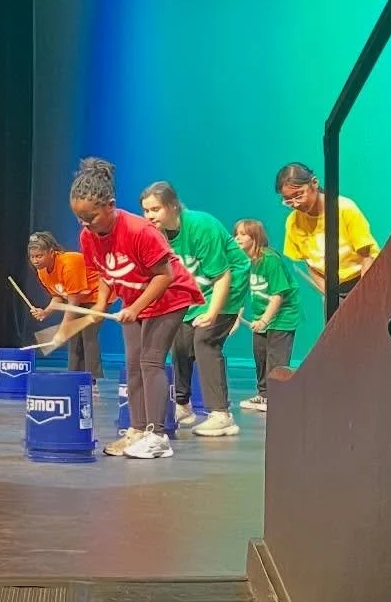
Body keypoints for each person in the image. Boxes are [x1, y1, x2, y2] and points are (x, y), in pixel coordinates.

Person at [46, 158, 202, 460]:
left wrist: (136, 308)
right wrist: (101, 304)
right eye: (79, 218)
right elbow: (105, 272)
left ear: (110, 206)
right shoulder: (88, 236)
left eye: (91, 217)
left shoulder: (139, 231)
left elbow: (165, 276)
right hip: (135, 298)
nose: (85, 224)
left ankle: (157, 437)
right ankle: (137, 430)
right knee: (133, 365)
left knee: (151, 362)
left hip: (170, 296)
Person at [139, 183, 250, 438]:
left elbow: (223, 275)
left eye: (155, 209)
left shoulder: (201, 226)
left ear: (173, 206)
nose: (150, 216)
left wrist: (212, 313)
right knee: (180, 340)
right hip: (197, 289)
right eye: (146, 211)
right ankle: (183, 406)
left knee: (205, 340)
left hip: (227, 284)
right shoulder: (155, 234)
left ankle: (221, 415)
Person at [275, 161, 379, 306]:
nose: (295, 204)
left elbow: (366, 257)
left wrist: (363, 296)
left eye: (299, 195)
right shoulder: (293, 223)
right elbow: (311, 265)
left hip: (367, 278)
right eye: (288, 200)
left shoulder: (344, 209)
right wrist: (330, 297)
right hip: (335, 290)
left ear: (314, 183)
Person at [234, 218, 300, 412]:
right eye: (236, 234)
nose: (237, 238)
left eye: (243, 234)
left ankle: (277, 397)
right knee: (260, 354)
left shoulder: (270, 260)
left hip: (282, 315)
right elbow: (241, 291)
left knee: (276, 358)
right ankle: (264, 395)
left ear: (255, 237)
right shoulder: (245, 262)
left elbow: (278, 295)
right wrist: (236, 317)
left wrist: (264, 320)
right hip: (262, 315)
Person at [26, 231, 103, 378]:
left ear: (51, 252)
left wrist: (63, 330)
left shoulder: (69, 264)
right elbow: (58, 295)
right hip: (78, 298)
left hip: (96, 295)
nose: (35, 261)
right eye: (32, 257)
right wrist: (45, 312)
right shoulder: (42, 271)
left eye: (39, 256)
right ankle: (74, 377)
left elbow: (73, 302)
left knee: (87, 335)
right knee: (74, 338)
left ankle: (91, 380)